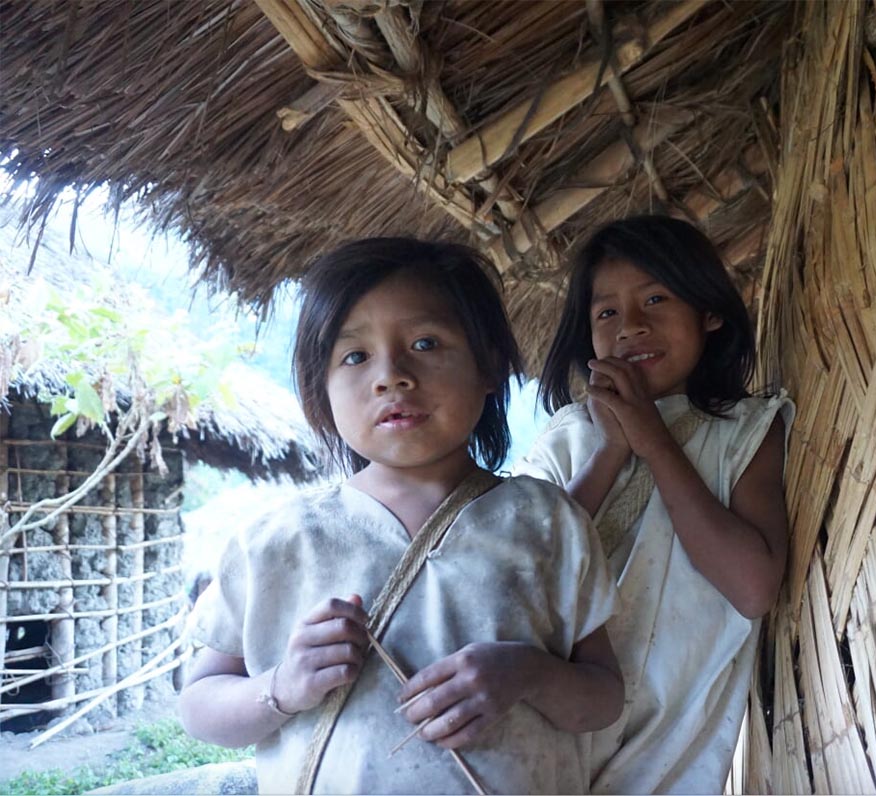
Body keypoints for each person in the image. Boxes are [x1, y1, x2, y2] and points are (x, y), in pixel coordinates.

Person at [179, 238, 623, 795]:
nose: (391, 375)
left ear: (489, 367)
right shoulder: (277, 542)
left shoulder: (547, 524)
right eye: (355, 356)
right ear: (322, 389)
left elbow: (603, 697)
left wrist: (528, 674)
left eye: (424, 342)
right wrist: (283, 686)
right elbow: (199, 705)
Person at [515, 215, 793, 794]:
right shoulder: (567, 439)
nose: (631, 326)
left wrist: (654, 441)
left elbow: (753, 588)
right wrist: (612, 451)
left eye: (656, 298)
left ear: (710, 312)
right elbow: (519, 572)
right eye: (607, 311)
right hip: (548, 735)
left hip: (668, 760)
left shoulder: (746, 432)